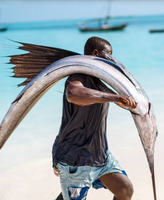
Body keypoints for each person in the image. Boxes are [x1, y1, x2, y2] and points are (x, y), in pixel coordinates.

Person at [52, 36, 137, 200]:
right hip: (75, 158)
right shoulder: (79, 76)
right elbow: (73, 94)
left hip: (100, 155)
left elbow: (109, 99)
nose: (111, 60)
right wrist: (115, 98)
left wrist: (126, 102)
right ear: (96, 53)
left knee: (125, 190)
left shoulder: (100, 82)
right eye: (109, 55)